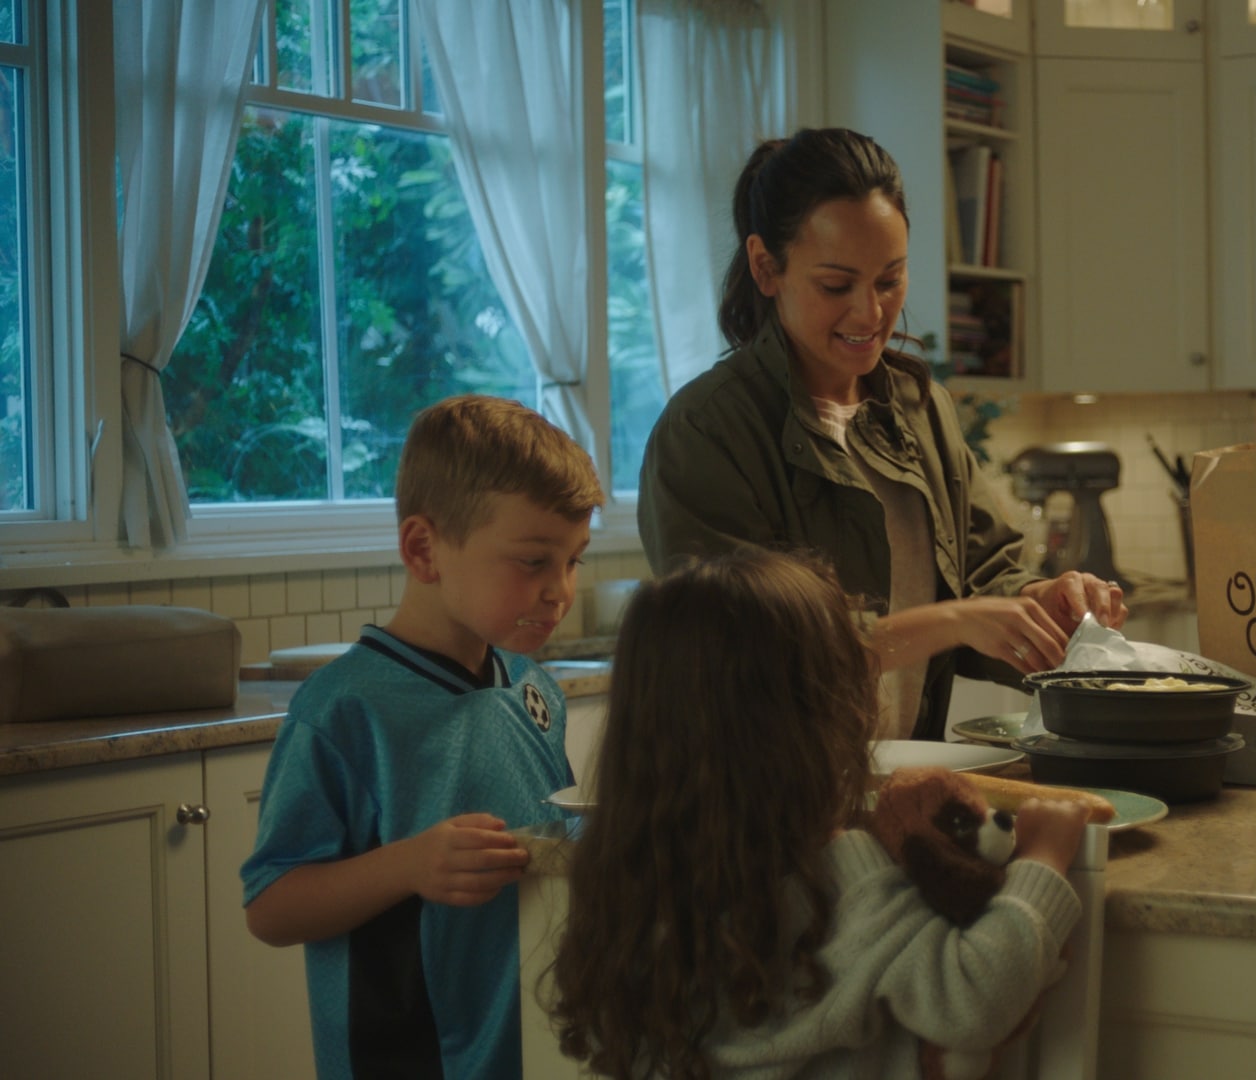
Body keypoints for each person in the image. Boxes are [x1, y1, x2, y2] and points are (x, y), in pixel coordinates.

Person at [638, 126, 1128, 741]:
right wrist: (954, 619)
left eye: (890, 280)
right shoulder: (705, 432)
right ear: (766, 266)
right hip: (760, 812)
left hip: (905, 786)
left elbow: (981, 580)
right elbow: (742, 653)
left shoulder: (924, 412)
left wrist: (1041, 601)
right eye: (836, 286)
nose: (870, 313)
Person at [545, 549, 1091, 1078]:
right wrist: (1042, 859)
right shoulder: (837, 873)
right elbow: (976, 997)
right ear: (821, 720)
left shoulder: (627, 874)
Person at [241, 394, 605, 1080]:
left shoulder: (535, 690)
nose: (561, 590)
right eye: (533, 561)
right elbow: (271, 906)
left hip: (526, 1048)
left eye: (574, 560)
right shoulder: (345, 711)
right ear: (423, 549)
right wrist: (407, 866)